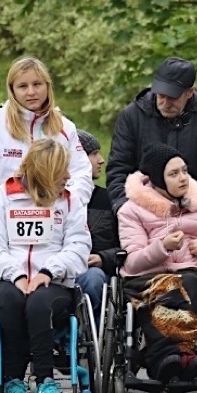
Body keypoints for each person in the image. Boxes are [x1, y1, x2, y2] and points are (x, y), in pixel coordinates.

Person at [0, 139, 91, 393]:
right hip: (5, 280)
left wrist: (48, 271)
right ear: (44, 172)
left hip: (54, 282)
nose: (68, 176)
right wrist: (16, 275)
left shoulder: (70, 201)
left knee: (39, 302)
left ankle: (45, 381)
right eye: (61, 170)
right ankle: (12, 382)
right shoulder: (2, 197)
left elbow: (79, 246)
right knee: (12, 300)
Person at [117, 143, 197, 393]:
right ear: (158, 179)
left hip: (190, 276)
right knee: (168, 288)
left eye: (184, 171)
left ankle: (170, 359)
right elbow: (132, 263)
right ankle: (171, 359)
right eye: (173, 174)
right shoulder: (132, 211)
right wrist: (162, 247)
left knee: (193, 285)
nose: (183, 178)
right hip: (147, 278)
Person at [0, 56, 93, 226]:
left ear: (48, 86)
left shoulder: (65, 127)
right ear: (12, 89)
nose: (31, 92)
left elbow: (81, 173)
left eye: (37, 84)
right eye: (23, 86)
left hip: (52, 225)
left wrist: (69, 204)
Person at [107, 57, 197, 211]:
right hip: (141, 210)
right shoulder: (132, 115)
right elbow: (118, 167)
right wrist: (125, 208)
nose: (165, 103)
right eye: (161, 96)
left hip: (193, 208)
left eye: (173, 98)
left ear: (189, 92)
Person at [74, 130, 120, 317]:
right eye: (93, 154)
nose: (101, 160)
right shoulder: (48, 201)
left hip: (96, 272)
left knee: (93, 278)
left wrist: (103, 258)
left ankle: (87, 331)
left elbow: (128, 247)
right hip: (56, 270)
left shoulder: (109, 200)